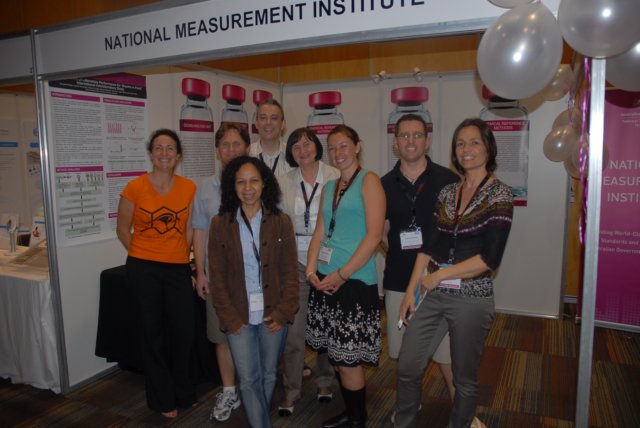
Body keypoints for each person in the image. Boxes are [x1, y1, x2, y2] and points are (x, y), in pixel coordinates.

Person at [394, 118, 514, 428]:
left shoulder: (500, 194)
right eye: (460, 143)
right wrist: (410, 291)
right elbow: (428, 247)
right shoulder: (448, 192)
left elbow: (489, 259)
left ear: (488, 148)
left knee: (464, 378)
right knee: (408, 366)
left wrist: (438, 276)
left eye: (474, 142)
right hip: (432, 293)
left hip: (471, 297)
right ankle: (403, 422)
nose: (466, 149)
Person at [208, 156, 299, 428]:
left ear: (264, 184)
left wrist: (283, 313)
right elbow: (217, 277)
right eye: (241, 182)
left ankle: (258, 421)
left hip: (273, 313)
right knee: (248, 379)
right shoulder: (220, 224)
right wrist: (229, 317)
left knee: (269, 374)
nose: (248, 188)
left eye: (254, 181)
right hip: (239, 316)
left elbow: (290, 273)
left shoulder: (281, 222)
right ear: (232, 186)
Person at [306, 125, 386, 428]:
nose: (338, 153)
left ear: (357, 146)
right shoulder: (329, 187)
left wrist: (342, 273)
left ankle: (357, 419)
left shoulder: (369, 181)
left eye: (343, 146)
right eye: (332, 147)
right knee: (337, 357)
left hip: (354, 282)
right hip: (326, 280)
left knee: (348, 360)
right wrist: (311, 269)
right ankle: (352, 413)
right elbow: (319, 233)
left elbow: (374, 236)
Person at [116, 129, 196, 418]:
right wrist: (141, 253)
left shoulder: (189, 187)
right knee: (152, 335)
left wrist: (182, 255)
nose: (164, 153)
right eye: (159, 148)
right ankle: (163, 399)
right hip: (143, 269)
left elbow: (189, 228)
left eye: (170, 148)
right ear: (151, 153)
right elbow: (122, 229)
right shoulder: (134, 187)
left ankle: (183, 391)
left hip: (177, 267)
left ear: (178, 155)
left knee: (184, 332)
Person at [381, 113, 458, 360]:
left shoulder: (449, 181)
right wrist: (398, 252)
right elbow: (382, 233)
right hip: (398, 278)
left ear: (427, 141)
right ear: (395, 143)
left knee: (445, 356)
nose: (411, 141)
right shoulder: (383, 184)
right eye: (404, 135)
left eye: (417, 135)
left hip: (440, 279)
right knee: (403, 355)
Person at [277, 128, 340, 416]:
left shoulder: (335, 176)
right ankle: (291, 390)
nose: (303, 150)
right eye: (296, 146)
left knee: (326, 327)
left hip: (328, 262)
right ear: (291, 153)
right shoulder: (283, 181)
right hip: (295, 263)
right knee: (295, 334)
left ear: (316, 146)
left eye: (307, 143)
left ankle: (325, 381)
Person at [192, 123, 250, 422]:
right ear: (217, 151)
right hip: (218, 276)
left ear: (247, 148)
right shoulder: (204, 187)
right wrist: (200, 272)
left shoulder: (258, 182)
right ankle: (229, 390)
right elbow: (199, 231)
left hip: (253, 277)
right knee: (221, 335)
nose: (231, 150)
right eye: (225, 145)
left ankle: (252, 387)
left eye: (236, 144)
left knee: (254, 333)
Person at [250, 98, 291, 177]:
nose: (268, 123)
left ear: (283, 124)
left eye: (274, 118)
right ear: (256, 124)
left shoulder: (293, 155)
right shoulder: (247, 154)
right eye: (263, 118)